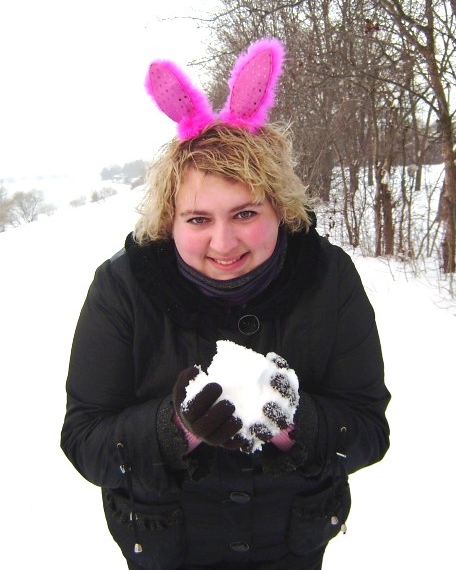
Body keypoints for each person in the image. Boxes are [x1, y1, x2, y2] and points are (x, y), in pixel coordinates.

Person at [61, 38, 390, 570]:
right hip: (167, 547)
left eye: (245, 214)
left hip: (291, 547)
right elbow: (84, 441)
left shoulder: (328, 278)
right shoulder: (121, 289)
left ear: (279, 208)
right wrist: (177, 428)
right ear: (169, 222)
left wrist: (295, 423)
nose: (223, 243)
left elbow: (369, 430)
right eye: (198, 219)